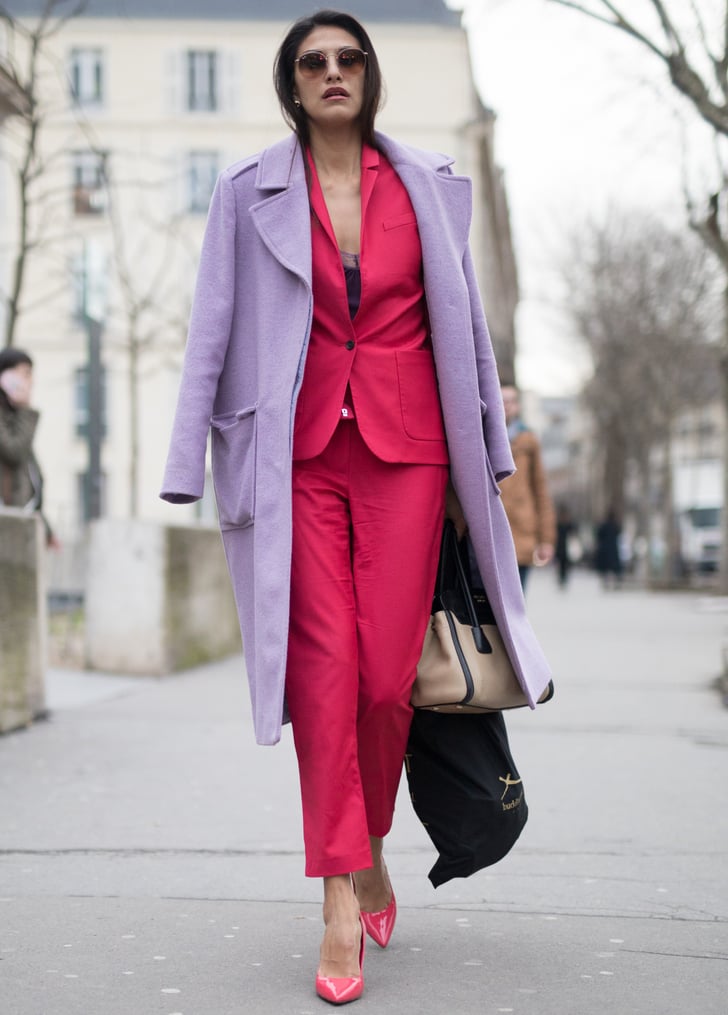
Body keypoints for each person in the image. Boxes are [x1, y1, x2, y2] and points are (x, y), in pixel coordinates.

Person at [161, 10, 552, 1005]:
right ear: (291, 83)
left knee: (385, 682)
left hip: (409, 453)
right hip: (292, 455)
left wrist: (488, 467)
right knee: (324, 677)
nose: (331, 72)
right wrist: (183, 461)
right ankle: (341, 899)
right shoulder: (247, 190)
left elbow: (464, 334)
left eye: (347, 59)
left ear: (368, 77)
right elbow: (211, 325)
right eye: (311, 62)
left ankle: (367, 845)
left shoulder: (426, 185)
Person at [499, 383, 556, 590]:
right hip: (490, 532)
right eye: (502, 400)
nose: (506, 406)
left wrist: (546, 539)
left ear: (518, 406)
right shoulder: (481, 437)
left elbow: (540, 490)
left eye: (511, 401)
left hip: (522, 533)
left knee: (517, 604)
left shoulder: (529, 441)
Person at [0, 347, 56, 546]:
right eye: (25, 373)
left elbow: (30, 478)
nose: (30, 381)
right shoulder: (12, 419)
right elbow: (14, 451)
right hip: (7, 523)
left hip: (19, 521)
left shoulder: (15, 419)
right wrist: (26, 410)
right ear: (5, 377)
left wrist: (46, 528)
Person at [595, 508, 623, 588]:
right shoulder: (615, 526)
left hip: (606, 549)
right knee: (613, 566)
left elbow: (599, 536)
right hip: (612, 549)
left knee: (607, 567)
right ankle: (615, 582)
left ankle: (608, 582)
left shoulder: (605, 526)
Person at [554, 503, 578, 588]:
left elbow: (574, 534)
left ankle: (564, 579)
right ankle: (561, 579)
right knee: (561, 565)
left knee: (565, 565)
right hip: (561, 548)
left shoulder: (568, 524)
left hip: (566, 549)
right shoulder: (559, 524)